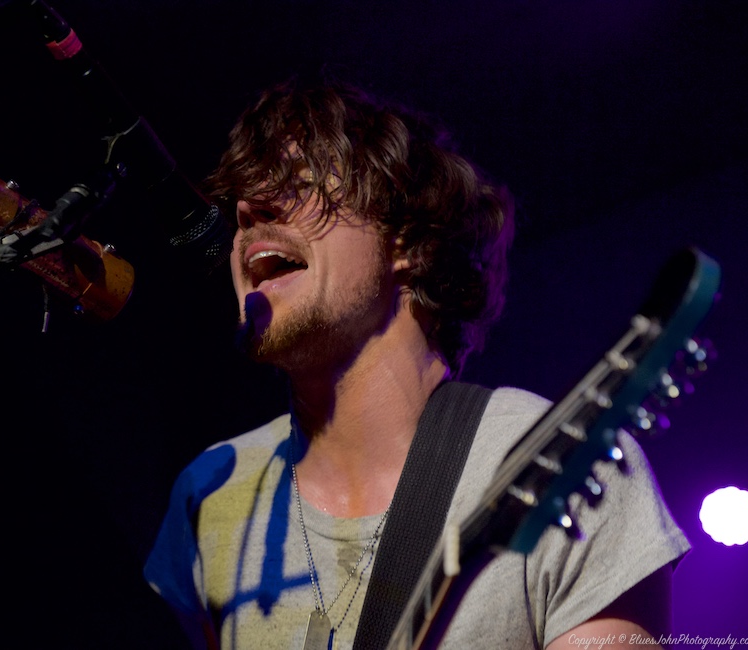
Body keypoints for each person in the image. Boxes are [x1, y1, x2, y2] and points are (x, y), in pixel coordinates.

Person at [143, 75, 689, 649]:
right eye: (241, 203)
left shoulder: (563, 463)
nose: (248, 211)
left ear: (407, 242)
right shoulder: (209, 493)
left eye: (298, 184)